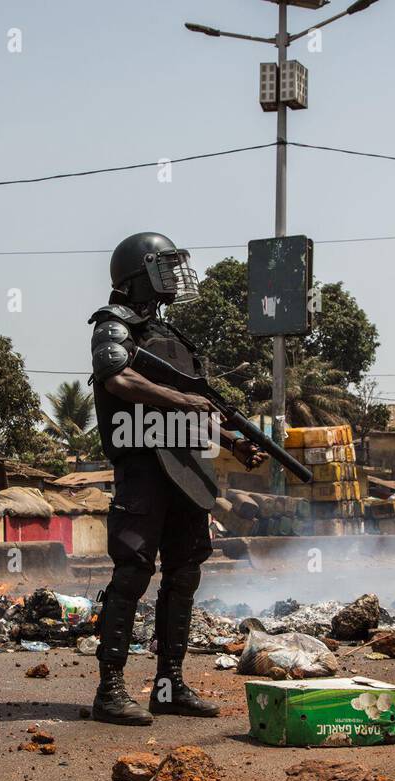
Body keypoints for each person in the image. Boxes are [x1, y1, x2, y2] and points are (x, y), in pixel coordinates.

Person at [87, 231, 267, 725]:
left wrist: (231, 442)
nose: (174, 277)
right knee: (132, 574)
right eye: (164, 267)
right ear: (139, 273)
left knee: (185, 573)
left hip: (187, 470)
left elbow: (193, 413)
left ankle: (168, 687)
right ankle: (110, 692)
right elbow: (118, 378)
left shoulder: (173, 338)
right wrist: (185, 399)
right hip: (143, 466)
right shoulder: (112, 325)